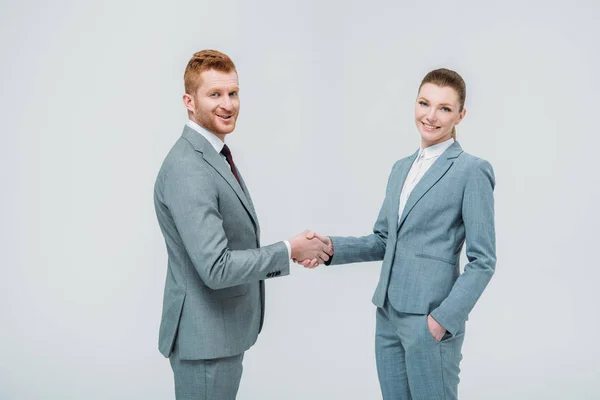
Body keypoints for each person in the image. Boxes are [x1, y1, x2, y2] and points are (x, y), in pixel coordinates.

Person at [303, 68, 496, 400]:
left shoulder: (471, 170)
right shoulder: (400, 168)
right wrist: (329, 248)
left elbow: (484, 261)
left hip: (429, 320)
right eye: (424, 103)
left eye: (444, 108)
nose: (431, 115)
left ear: (460, 115)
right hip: (387, 314)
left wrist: (442, 320)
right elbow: (383, 239)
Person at [154, 49, 332, 400]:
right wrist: (288, 250)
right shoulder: (189, 168)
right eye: (215, 94)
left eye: (233, 93)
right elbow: (216, 268)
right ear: (189, 101)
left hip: (216, 335)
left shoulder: (212, 154)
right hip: (204, 341)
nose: (228, 104)